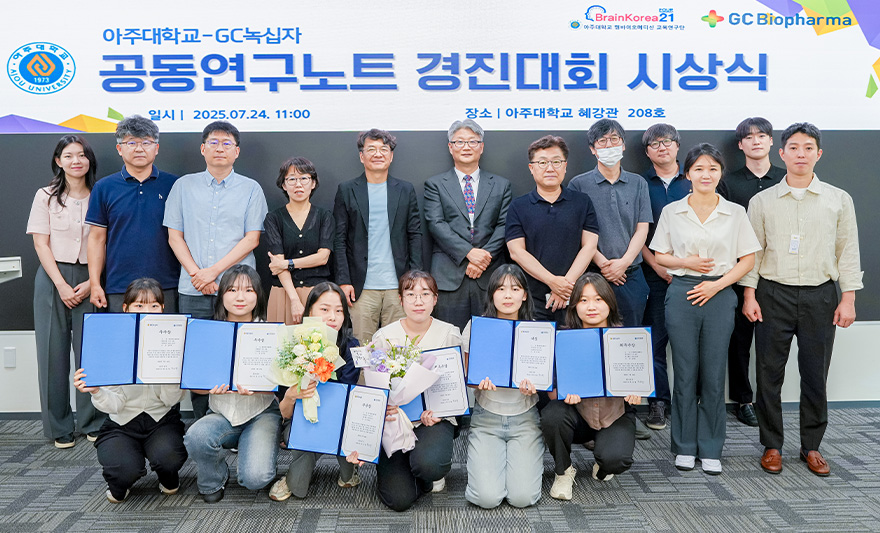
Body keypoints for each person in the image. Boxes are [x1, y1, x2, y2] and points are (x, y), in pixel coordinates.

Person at [741, 123, 862, 477]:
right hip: (772, 293)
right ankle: (772, 445)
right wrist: (749, 293)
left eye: (808, 148)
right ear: (781, 153)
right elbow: (753, 253)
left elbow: (847, 251)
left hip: (820, 295)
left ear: (818, 154)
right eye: (793, 147)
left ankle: (812, 446)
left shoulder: (839, 199)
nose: (800, 154)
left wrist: (848, 298)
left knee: (815, 374)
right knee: (768, 373)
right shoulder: (761, 201)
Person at [650, 143, 760, 475]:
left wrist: (717, 284)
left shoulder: (735, 212)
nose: (706, 174)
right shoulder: (673, 211)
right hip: (682, 291)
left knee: (713, 373)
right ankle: (684, 446)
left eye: (712, 168)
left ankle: (711, 447)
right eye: (698, 168)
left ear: (720, 173)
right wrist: (685, 262)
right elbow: (660, 255)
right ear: (688, 174)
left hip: (720, 292)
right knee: (684, 372)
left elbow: (748, 259)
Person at [164, 121, 268, 419]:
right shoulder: (183, 186)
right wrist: (198, 273)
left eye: (226, 143)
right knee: (200, 358)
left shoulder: (251, 189)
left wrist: (214, 274)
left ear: (237, 151)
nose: (219, 148)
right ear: (202, 149)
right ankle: (204, 423)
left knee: (238, 354)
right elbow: (174, 236)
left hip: (237, 291)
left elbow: (252, 239)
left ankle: (241, 421)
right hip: (193, 287)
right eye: (213, 142)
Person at [73, 278, 187, 503]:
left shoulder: (173, 340)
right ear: (126, 308)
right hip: (121, 422)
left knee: (169, 458)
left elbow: (170, 400)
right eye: (139, 305)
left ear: (163, 309)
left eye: (154, 306)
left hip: (161, 419)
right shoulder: (111, 343)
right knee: (123, 470)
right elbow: (115, 404)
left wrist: (172, 374)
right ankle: (120, 484)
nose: (147, 312)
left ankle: (168, 476)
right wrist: (96, 390)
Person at [26, 135, 105, 447]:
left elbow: (106, 241)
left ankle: (92, 421)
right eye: (69, 155)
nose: (76, 161)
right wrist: (60, 284)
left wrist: (93, 282)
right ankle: (59, 427)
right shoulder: (45, 196)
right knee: (52, 353)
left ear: (89, 160)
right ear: (58, 161)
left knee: (91, 353)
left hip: (92, 277)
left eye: (82, 155)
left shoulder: (101, 194)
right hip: (52, 277)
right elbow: (40, 243)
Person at [184, 265, 281, 503]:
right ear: (221, 295)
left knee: (255, 478)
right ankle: (214, 479)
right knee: (196, 436)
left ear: (258, 295)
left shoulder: (271, 333)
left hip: (261, 412)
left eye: (248, 290)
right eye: (232, 290)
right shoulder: (207, 331)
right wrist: (208, 388)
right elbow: (194, 385)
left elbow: (282, 381)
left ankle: (257, 447)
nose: (240, 297)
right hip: (222, 413)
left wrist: (259, 386)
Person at [542, 273, 640, 500]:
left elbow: (638, 380)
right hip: (577, 415)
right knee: (552, 416)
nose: (591, 306)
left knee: (617, 460)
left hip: (614, 415)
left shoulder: (627, 339)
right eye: (583, 300)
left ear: (609, 303)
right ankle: (564, 471)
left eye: (598, 299)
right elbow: (552, 390)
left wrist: (636, 392)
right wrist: (564, 394)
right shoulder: (564, 339)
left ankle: (603, 465)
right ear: (575, 306)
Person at [370, 270, 462, 511]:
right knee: (398, 500)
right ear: (401, 300)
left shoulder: (449, 334)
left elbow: (456, 384)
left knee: (429, 465)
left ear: (435, 299)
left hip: (433, 419)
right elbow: (374, 386)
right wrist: (384, 406)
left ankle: (427, 472)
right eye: (410, 294)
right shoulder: (384, 337)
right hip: (395, 422)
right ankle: (414, 476)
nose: (418, 301)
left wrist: (442, 412)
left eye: (425, 294)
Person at [717, 117, 786, 428]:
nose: (756, 141)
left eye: (762, 135)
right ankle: (743, 399)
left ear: (771, 141)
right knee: (739, 342)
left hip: (778, 273)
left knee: (772, 345)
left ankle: (767, 401)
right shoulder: (728, 182)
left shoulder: (787, 178)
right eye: (749, 137)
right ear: (740, 144)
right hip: (739, 271)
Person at [269, 282, 361, 500]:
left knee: (344, 449)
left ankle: (348, 470)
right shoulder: (292, 345)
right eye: (324, 309)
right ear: (309, 311)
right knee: (298, 484)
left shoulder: (351, 347)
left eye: (339, 311)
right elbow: (284, 412)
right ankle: (295, 477)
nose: (333, 317)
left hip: (339, 419)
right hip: (302, 420)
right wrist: (292, 395)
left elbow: (346, 399)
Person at [463, 264, 544, 509]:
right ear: (491, 294)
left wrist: (536, 386)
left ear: (525, 295)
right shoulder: (477, 327)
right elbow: (468, 375)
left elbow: (545, 379)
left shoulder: (537, 331)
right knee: (486, 498)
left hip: (525, 419)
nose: (508, 295)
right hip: (486, 419)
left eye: (515, 289)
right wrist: (479, 382)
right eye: (500, 289)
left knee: (522, 498)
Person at [333, 129, 422, 344]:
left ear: (391, 156)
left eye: (384, 149)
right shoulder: (347, 190)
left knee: (399, 349)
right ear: (361, 156)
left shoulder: (405, 189)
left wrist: (415, 279)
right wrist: (344, 280)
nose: (378, 154)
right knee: (361, 350)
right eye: (371, 149)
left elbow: (415, 235)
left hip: (398, 286)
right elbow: (339, 239)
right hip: (361, 288)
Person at [423, 119, 512, 331]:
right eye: (460, 141)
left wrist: (483, 258)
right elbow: (436, 223)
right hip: (449, 276)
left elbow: (504, 225)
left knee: (490, 336)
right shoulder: (435, 184)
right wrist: (469, 253)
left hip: (489, 276)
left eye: (472, 141)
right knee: (449, 338)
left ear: (481, 147)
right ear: (450, 147)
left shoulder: (501, 185)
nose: (466, 147)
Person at [85, 115, 180, 312]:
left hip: (167, 285)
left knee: (166, 333)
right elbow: (96, 239)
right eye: (131, 143)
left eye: (146, 142)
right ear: (119, 149)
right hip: (119, 286)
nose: (139, 148)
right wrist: (95, 284)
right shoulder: (104, 188)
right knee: (122, 333)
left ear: (156, 148)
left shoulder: (175, 185)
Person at [506, 135, 599, 322]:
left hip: (576, 296)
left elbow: (589, 246)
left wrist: (565, 286)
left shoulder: (582, 202)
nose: (550, 168)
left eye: (556, 162)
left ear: (565, 166)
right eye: (542, 162)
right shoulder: (518, 206)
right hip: (532, 299)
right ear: (531, 168)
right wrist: (552, 281)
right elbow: (516, 251)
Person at [569, 119, 652, 327]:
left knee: (630, 336)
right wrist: (604, 265)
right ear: (592, 149)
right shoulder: (578, 184)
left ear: (623, 145)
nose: (609, 145)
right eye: (602, 141)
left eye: (614, 139)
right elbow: (577, 232)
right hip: (593, 276)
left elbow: (642, 228)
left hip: (631, 274)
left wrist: (624, 263)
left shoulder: (638, 183)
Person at [640, 123, 691, 431]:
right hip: (654, 275)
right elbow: (638, 233)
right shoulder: (639, 184)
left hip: (694, 276)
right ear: (647, 152)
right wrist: (658, 266)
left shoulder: (695, 178)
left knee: (690, 344)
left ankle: (689, 404)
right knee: (655, 342)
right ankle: (658, 402)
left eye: (668, 141)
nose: (662, 147)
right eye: (655, 143)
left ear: (677, 146)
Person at [263, 157, 334, 324]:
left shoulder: (324, 216)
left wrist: (288, 263)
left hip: (317, 293)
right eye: (292, 179)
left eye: (304, 178)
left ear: (313, 183)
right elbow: (277, 264)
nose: (298, 184)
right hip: (284, 292)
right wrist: (294, 300)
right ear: (283, 185)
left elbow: (322, 257)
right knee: (281, 340)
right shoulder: (273, 218)